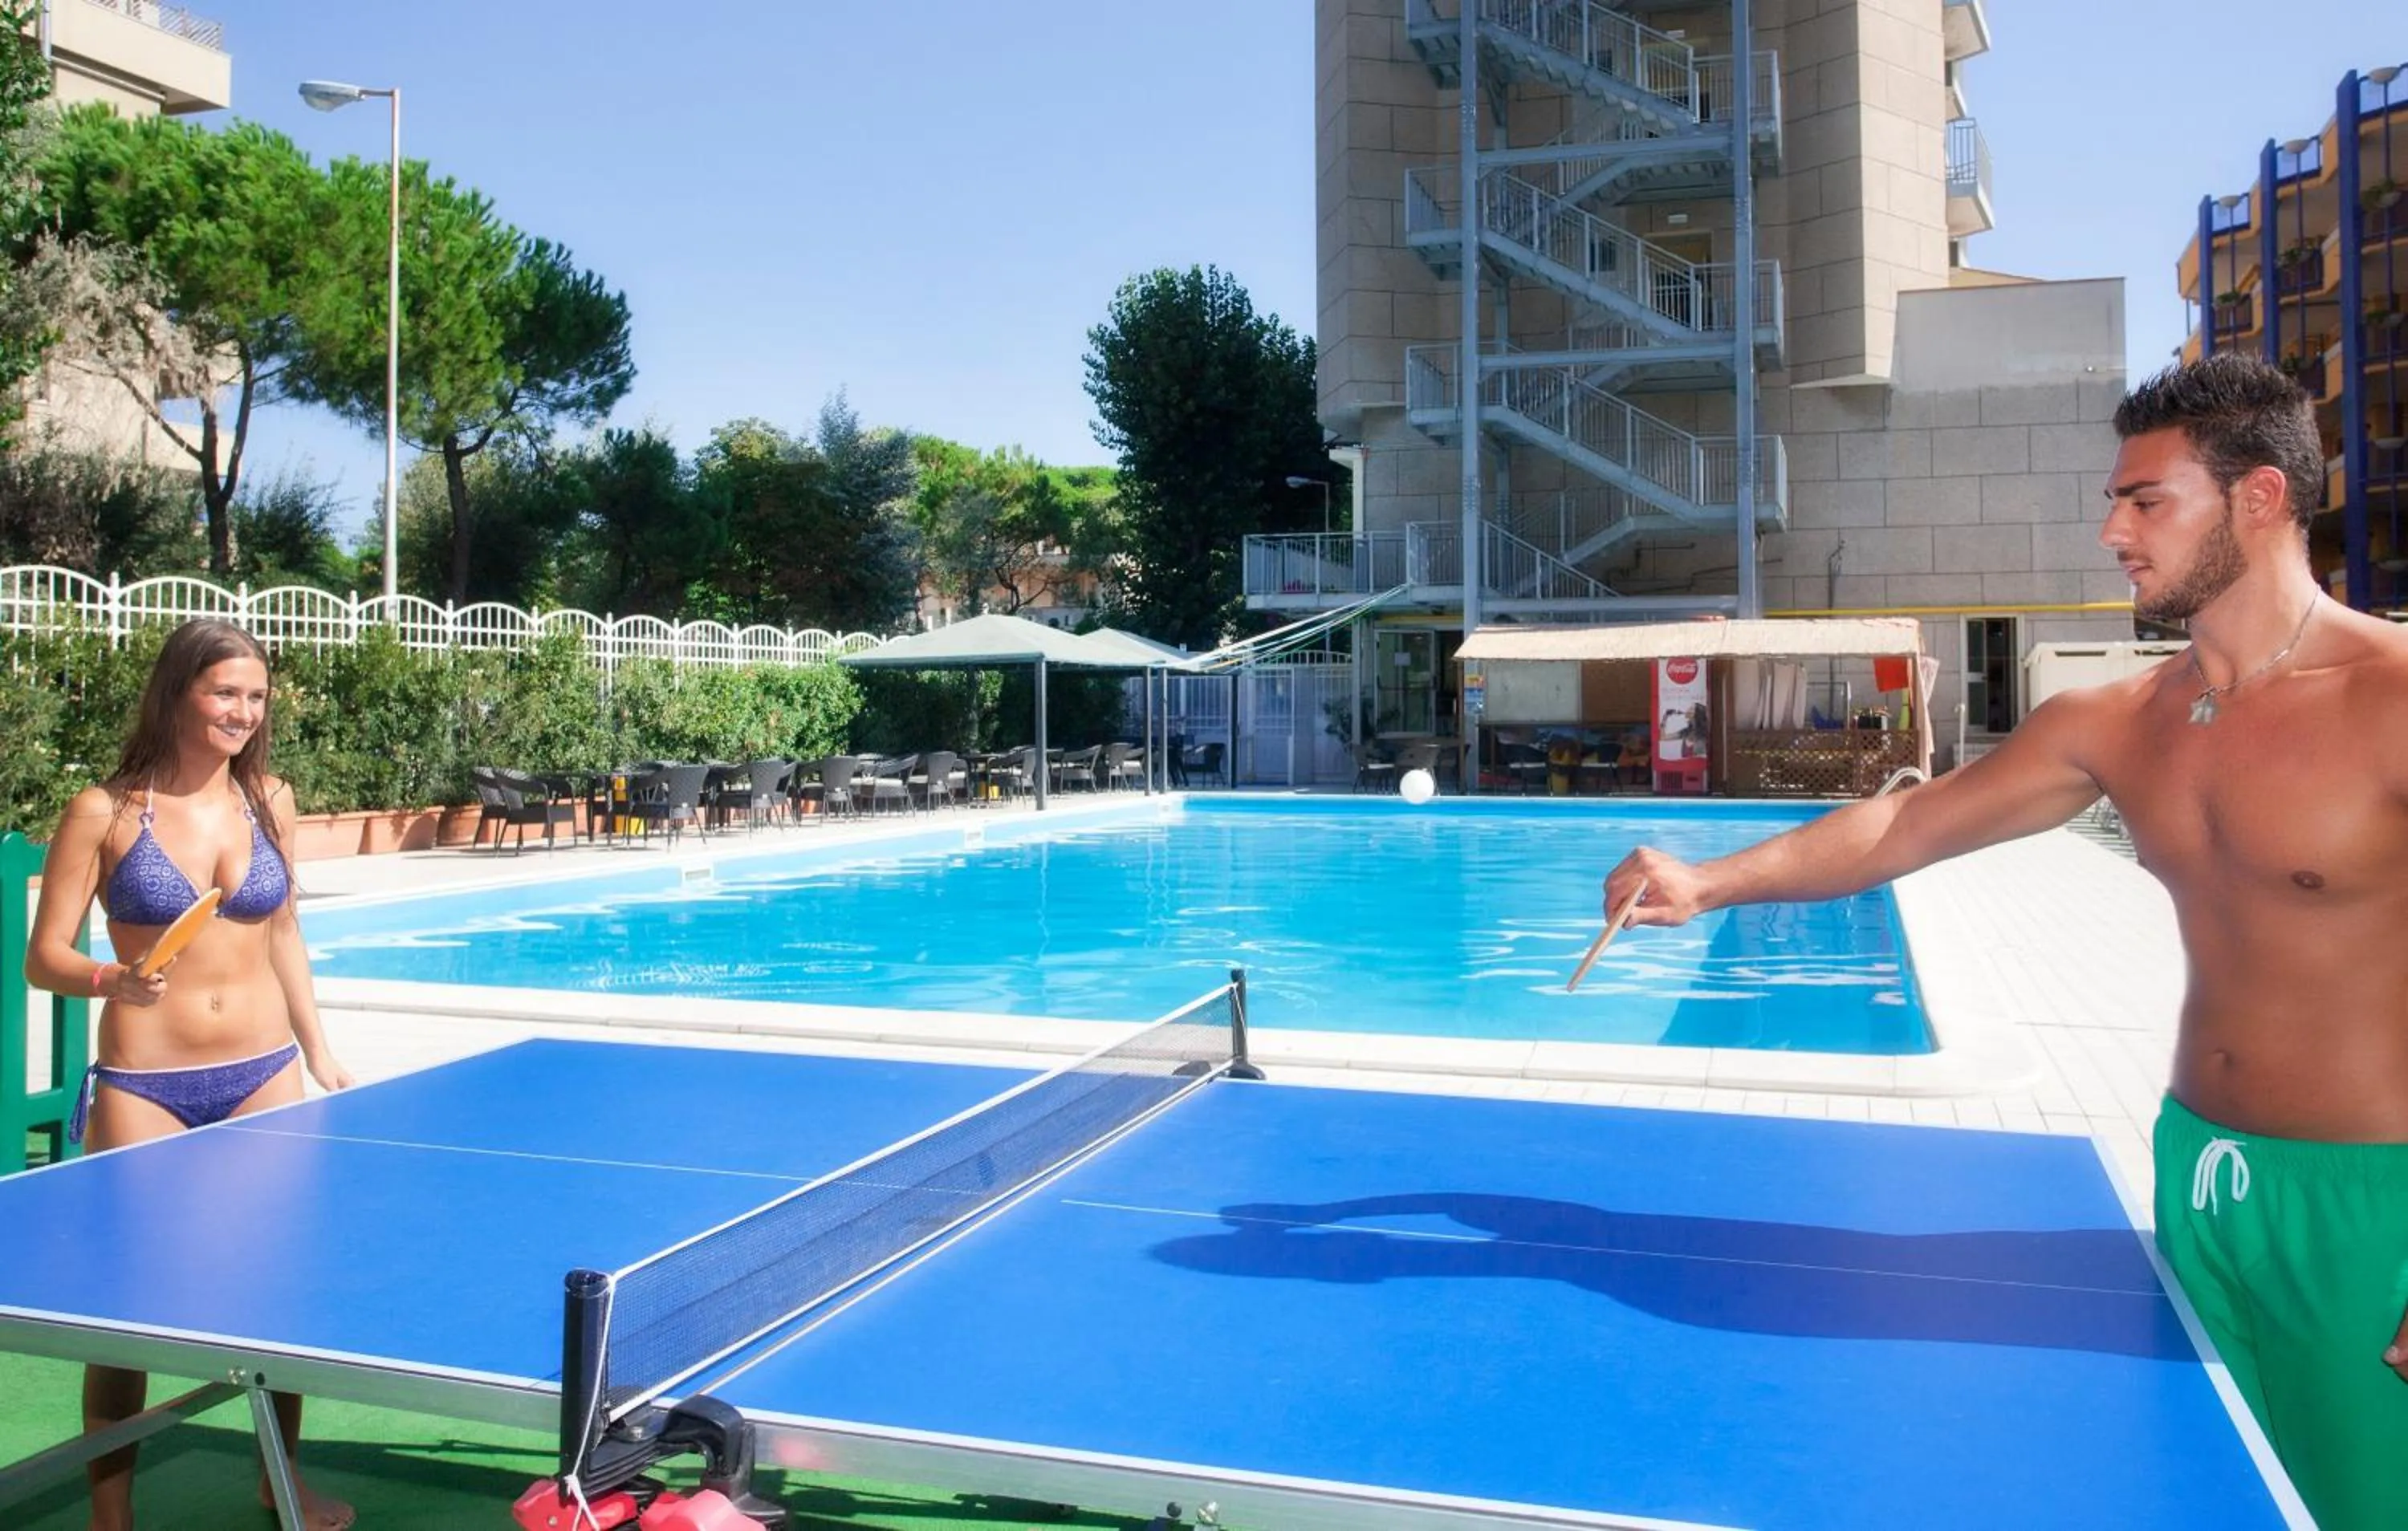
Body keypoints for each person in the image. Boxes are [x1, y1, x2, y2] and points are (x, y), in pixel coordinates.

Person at [1602, 353, 2408, 1531]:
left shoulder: (2388, 699)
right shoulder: (2119, 721)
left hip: (2373, 1202)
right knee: (2214, 1498)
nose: (2112, 533)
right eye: (2112, 501)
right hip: (2200, 1174)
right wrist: (1708, 881)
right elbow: (1911, 819)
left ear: (2260, 499)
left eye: (2145, 502)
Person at [24, 618, 355, 1531]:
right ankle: (111, 1512)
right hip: (144, 1088)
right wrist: (109, 977)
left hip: (263, 1075)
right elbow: (42, 956)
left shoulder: (271, 800)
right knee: (125, 1310)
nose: (242, 712)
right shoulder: (105, 810)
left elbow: (283, 933)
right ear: (177, 694)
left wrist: (318, 1049)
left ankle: (276, 1478)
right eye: (224, 693)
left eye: (254, 696)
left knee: (275, 1294)